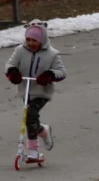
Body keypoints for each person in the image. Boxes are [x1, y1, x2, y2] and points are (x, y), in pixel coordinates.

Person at [5, 20, 66, 163]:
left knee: (30, 115)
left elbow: (62, 72)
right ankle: (43, 131)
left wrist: (49, 75)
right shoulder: (20, 50)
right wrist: (12, 71)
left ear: (42, 40)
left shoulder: (52, 54)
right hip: (26, 90)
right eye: (28, 39)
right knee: (31, 118)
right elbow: (10, 64)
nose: (30, 43)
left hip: (42, 92)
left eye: (34, 40)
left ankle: (33, 151)